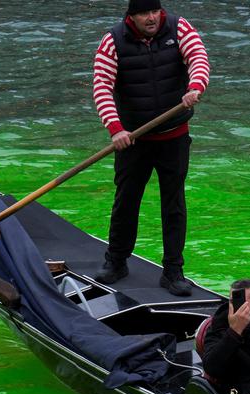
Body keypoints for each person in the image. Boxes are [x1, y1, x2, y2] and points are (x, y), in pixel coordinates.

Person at [91, 0, 210, 296]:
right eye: (144, 13)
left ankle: (173, 271)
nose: (152, 18)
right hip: (133, 140)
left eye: (155, 11)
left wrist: (195, 86)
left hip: (174, 137)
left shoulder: (179, 28)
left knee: (174, 205)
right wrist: (115, 129)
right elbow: (102, 85)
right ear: (132, 16)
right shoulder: (112, 41)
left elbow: (198, 57)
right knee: (126, 201)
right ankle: (116, 261)